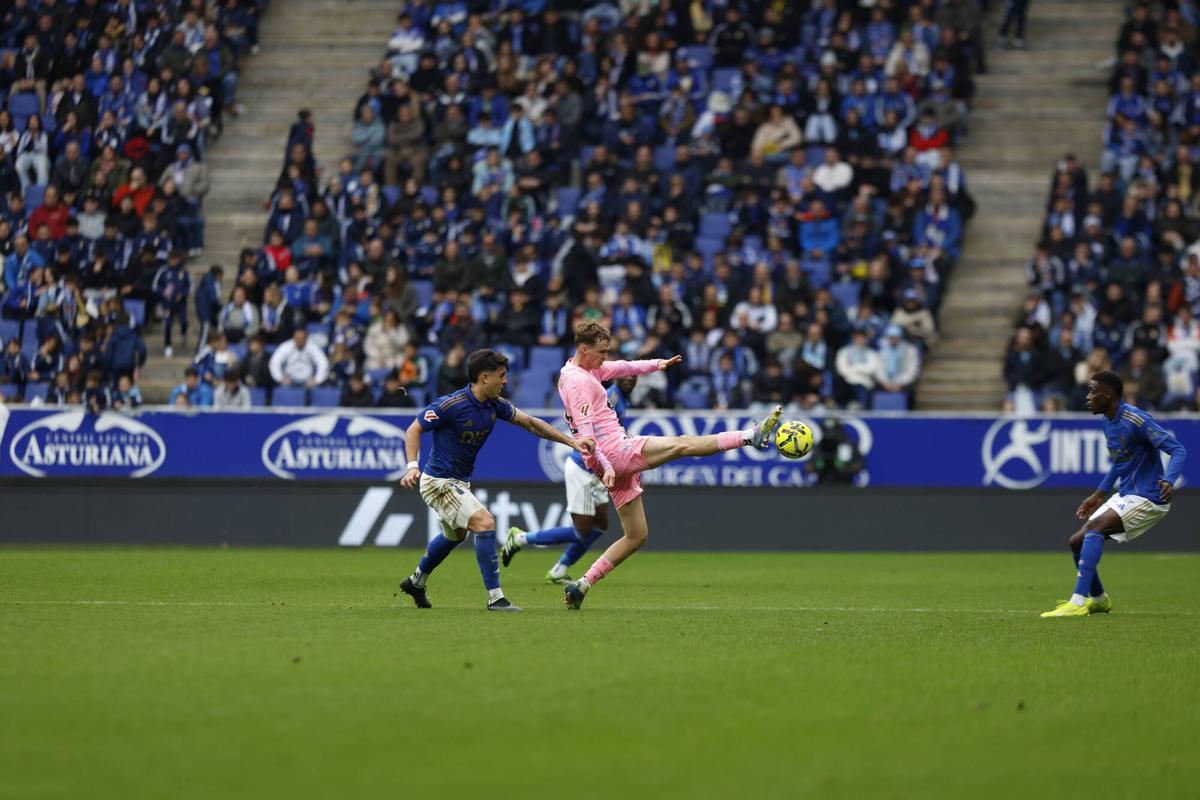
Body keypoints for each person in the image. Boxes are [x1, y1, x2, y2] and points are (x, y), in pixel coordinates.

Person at [555, 321, 782, 609]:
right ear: (583, 349)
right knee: (681, 444)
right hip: (615, 452)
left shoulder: (583, 370)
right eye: (601, 352)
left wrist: (658, 363)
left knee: (636, 536)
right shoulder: (578, 382)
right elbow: (586, 436)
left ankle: (582, 584)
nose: (605, 357)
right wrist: (607, 465)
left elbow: (624, 367)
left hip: (610, 460)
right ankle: (750, 436)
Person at [397, 348, 596, 613]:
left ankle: (416, 581)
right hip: (438, 482)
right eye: (501, 376)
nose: (505, 381)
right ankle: (496, 598)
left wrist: (571, 441)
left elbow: (530, 423)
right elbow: (414, 428)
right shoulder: (450, 405)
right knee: (485, 523)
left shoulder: (495, 405)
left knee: (455, 536)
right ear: (484, 377)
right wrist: (412, 466)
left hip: (458, 482)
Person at [1040, 370, 1186, 618]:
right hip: (1126, 493)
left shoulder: (1136, 419)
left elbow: (1177, 449)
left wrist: (1169, 480)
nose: (1087, 397)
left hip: (1149, 497)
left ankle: (1077, 602)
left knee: (1095, 529)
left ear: (1108, 394)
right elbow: (1120, 464)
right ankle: (1099, 600)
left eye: (1092, 391)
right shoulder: (1108, 422)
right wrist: (1099, 494)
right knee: (1076, 541)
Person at [502, 375, 637, 585]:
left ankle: (559, 569)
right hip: (583, 468)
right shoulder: (612, 398)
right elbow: (595, 431)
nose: (630, 380)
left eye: (634, 377)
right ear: (615, 378)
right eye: (626, 376)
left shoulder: (623, 398)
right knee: (582, 531)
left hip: (597, 471)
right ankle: (520, 538)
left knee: (600, 525)